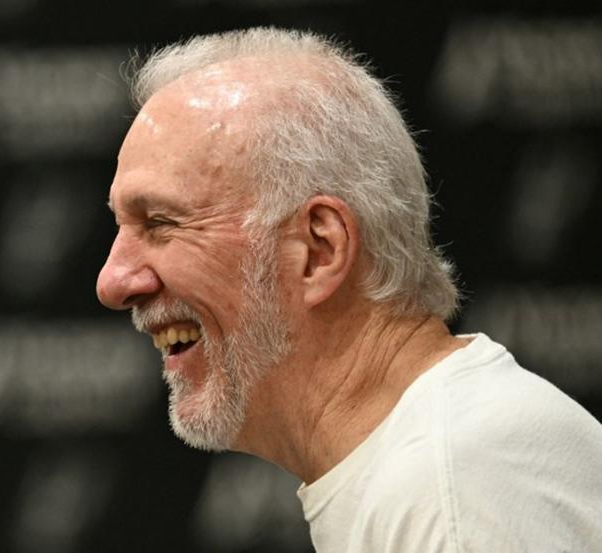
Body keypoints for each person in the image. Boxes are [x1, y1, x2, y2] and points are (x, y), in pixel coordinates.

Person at [95, 27, 602, 552]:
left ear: (320, 249)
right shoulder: (428, 465)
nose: (112, 282)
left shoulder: (451, 484)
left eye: (160, 223)